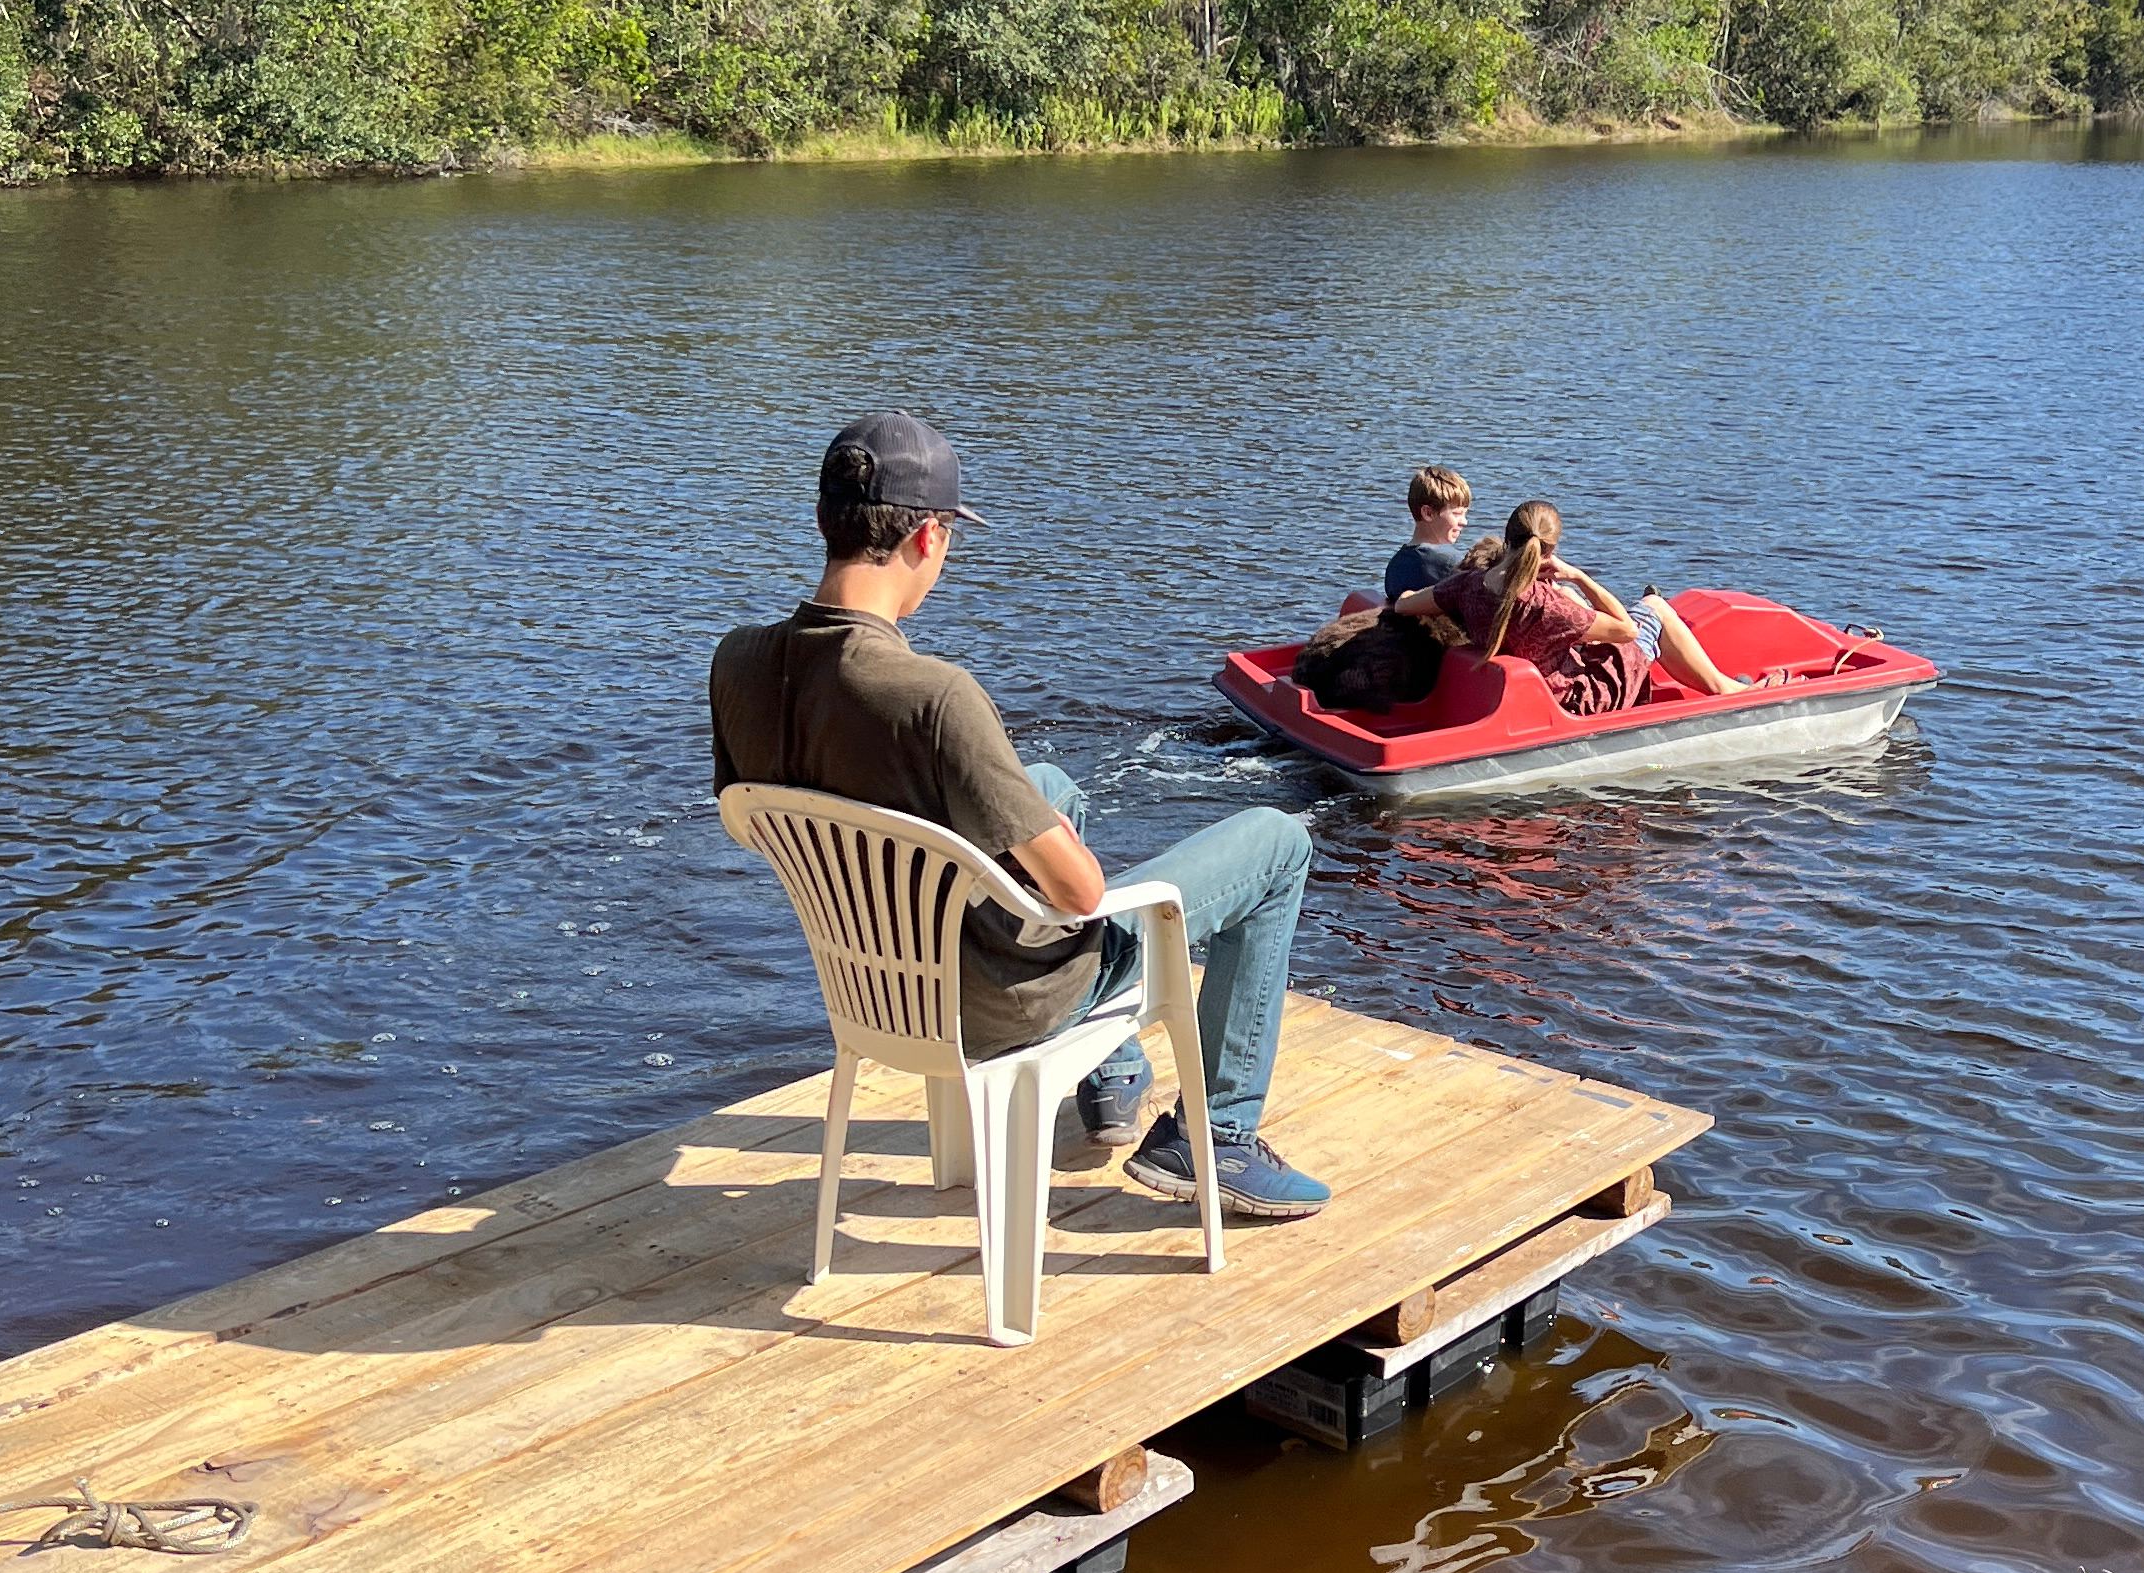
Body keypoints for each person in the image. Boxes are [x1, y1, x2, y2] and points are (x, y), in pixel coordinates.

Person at [710, 411, 1329, 1220]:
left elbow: (750, 820)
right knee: (1276, 844)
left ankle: (1108, 1070)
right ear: (928, 538)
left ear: (824, 519)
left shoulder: (739, 663)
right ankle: (1217, 1134)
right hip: (997, 1002)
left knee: (1048, 786)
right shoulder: (932, 697)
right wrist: (1061, 858)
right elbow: (1078, 895)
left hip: (878, 988)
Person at [1399, 499, 1749, 718]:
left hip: (1528, 686)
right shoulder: (1547, 605)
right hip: (1579, 700)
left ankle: (1721, 686)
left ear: (1506, 541)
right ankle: (1727, 692)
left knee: (1603, 631)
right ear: (1548, 551)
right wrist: (1580, 578)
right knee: (1655, 608)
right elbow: (1628, 630)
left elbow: (1405, 606)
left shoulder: (1466, 585)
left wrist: (1408, 589)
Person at [1382, 465, 1474, 607]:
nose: (1464, 522)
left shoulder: (1395, 565)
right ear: (1428, 513)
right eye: (1456, 514)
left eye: (1465, 514)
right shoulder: (1451, 563)